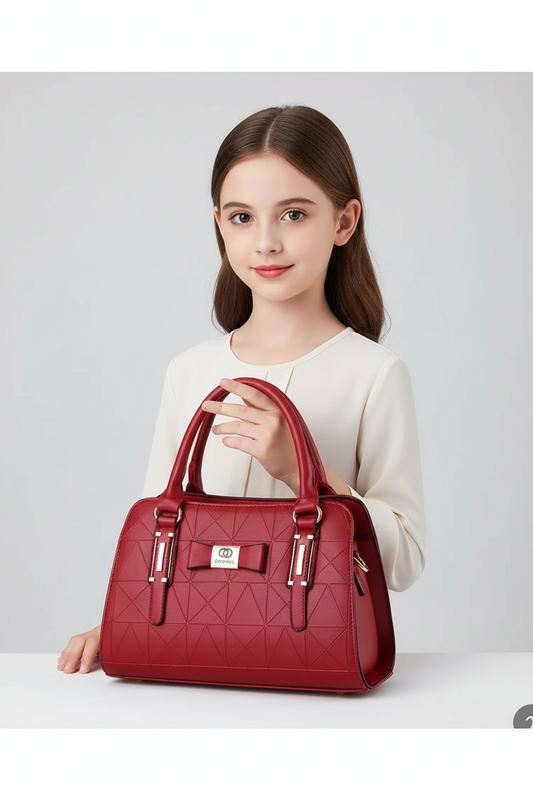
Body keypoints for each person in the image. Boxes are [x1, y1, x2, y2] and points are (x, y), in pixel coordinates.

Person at [57, 104, 426, 675]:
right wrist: (120, 624)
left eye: (295, 214)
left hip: (308, 663)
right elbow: (163, 533)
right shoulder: (189, 370)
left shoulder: (373, 373)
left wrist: (307, 473)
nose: (266, 244)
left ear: (344, 222)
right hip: (192, 670)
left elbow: (405, 562)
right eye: (241, 217)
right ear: (218, 223)